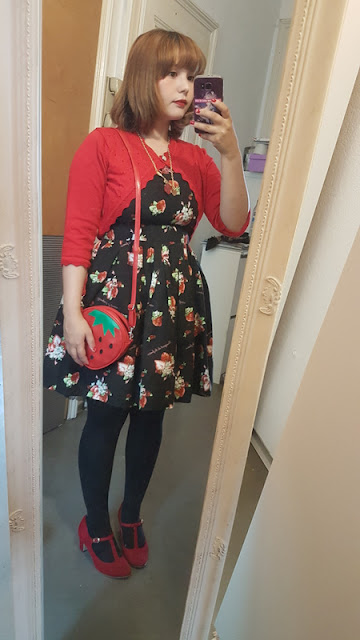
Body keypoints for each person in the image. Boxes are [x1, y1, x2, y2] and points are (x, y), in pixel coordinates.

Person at [44, 29, 249, 579]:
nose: (185, 86)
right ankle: (96, 522)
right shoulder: (103, 145)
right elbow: (79, 234)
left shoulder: (196, 158)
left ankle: (130, 514)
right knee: (107, 417)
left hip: (171, 309)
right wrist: (70, 312)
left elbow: (233, 222)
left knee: (151, 418)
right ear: (143, 77)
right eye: (171, 73)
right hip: (114, 303)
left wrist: (230, 153)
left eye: (192, 74)